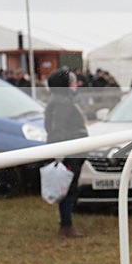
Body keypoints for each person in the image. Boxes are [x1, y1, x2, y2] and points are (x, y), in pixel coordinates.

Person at [44, 67, 89, 238]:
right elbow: (57, 130)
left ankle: (67, 223)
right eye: (72, 81)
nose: (75, 84)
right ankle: (66, 225)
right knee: (68, 189)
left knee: (69, 188)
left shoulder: (61, 99)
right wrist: (61, 153)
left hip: (71, 151)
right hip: (69, 153)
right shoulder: (62, 101)